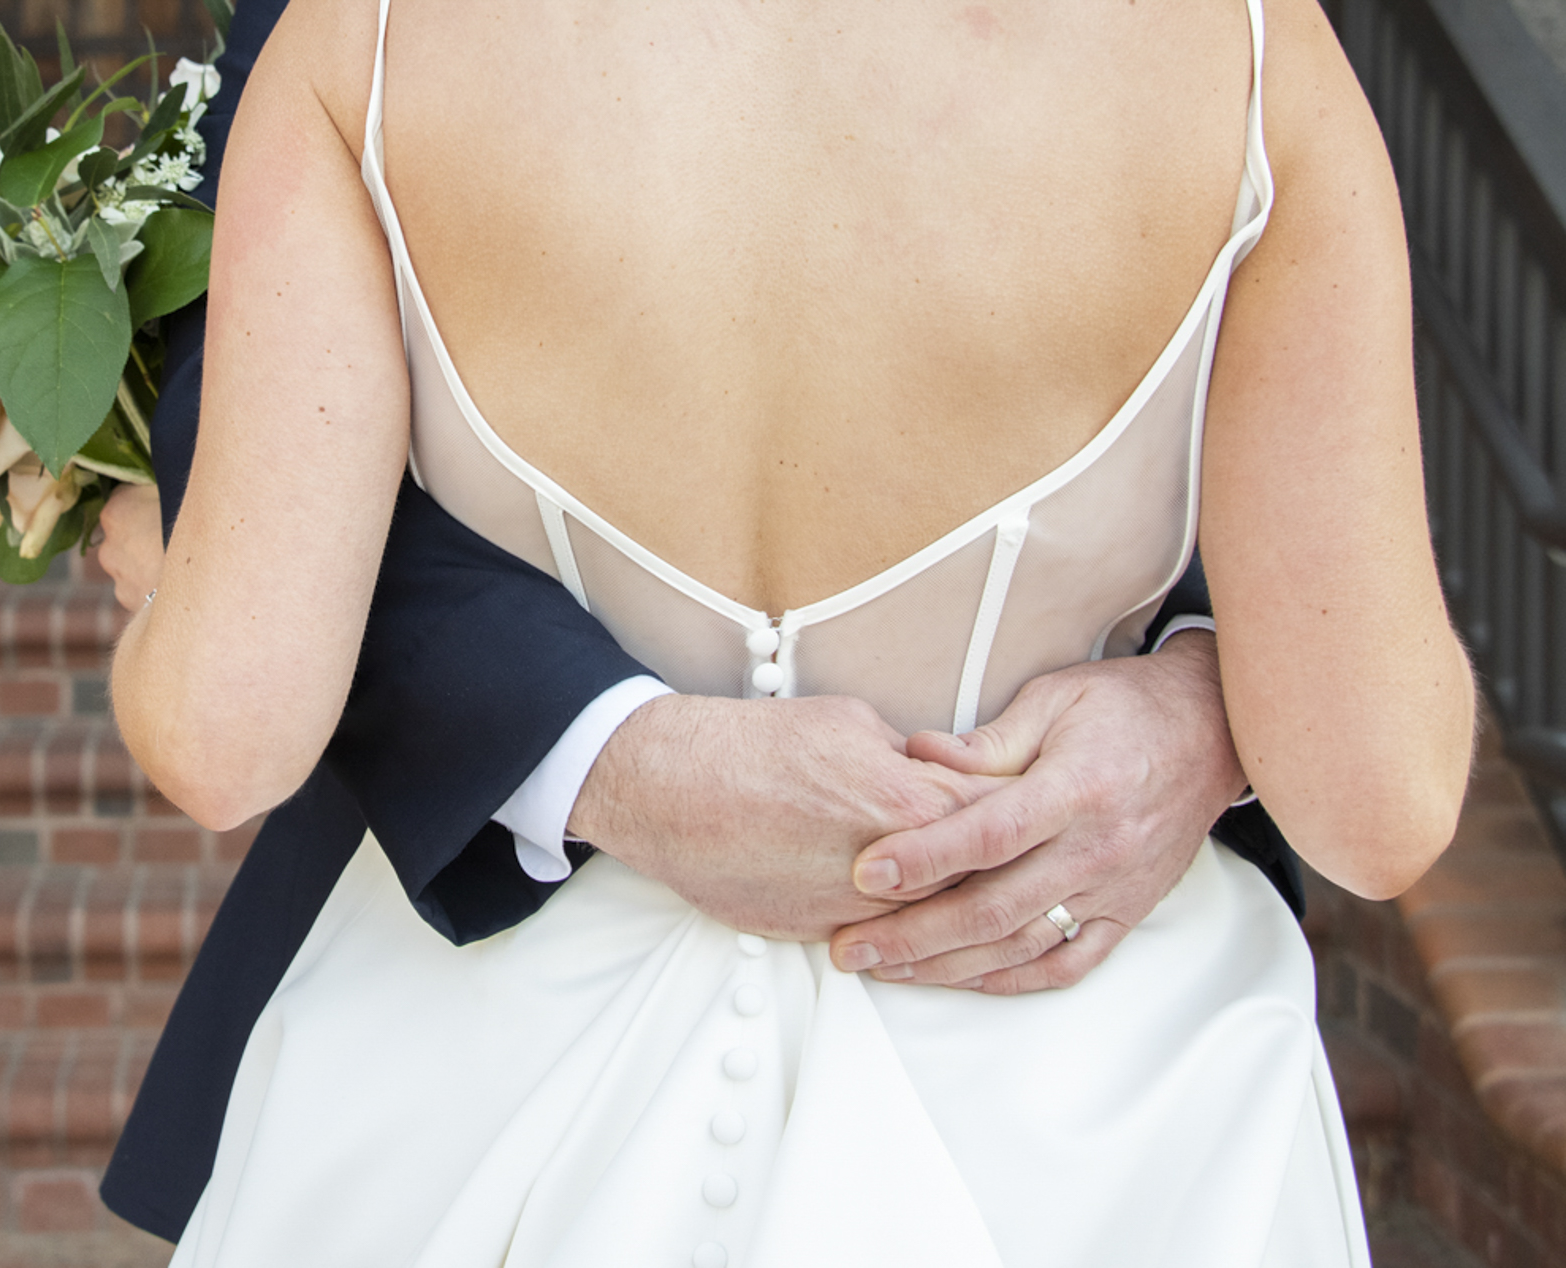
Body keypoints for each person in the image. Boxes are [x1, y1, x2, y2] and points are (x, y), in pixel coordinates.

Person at [114, 0, 1476, 1262]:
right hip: (1077, 1099)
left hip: (481, 1080)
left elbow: (227, 738)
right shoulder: (1246, 51)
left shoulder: (364, 35)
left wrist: (157, 576)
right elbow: (1377, 801)